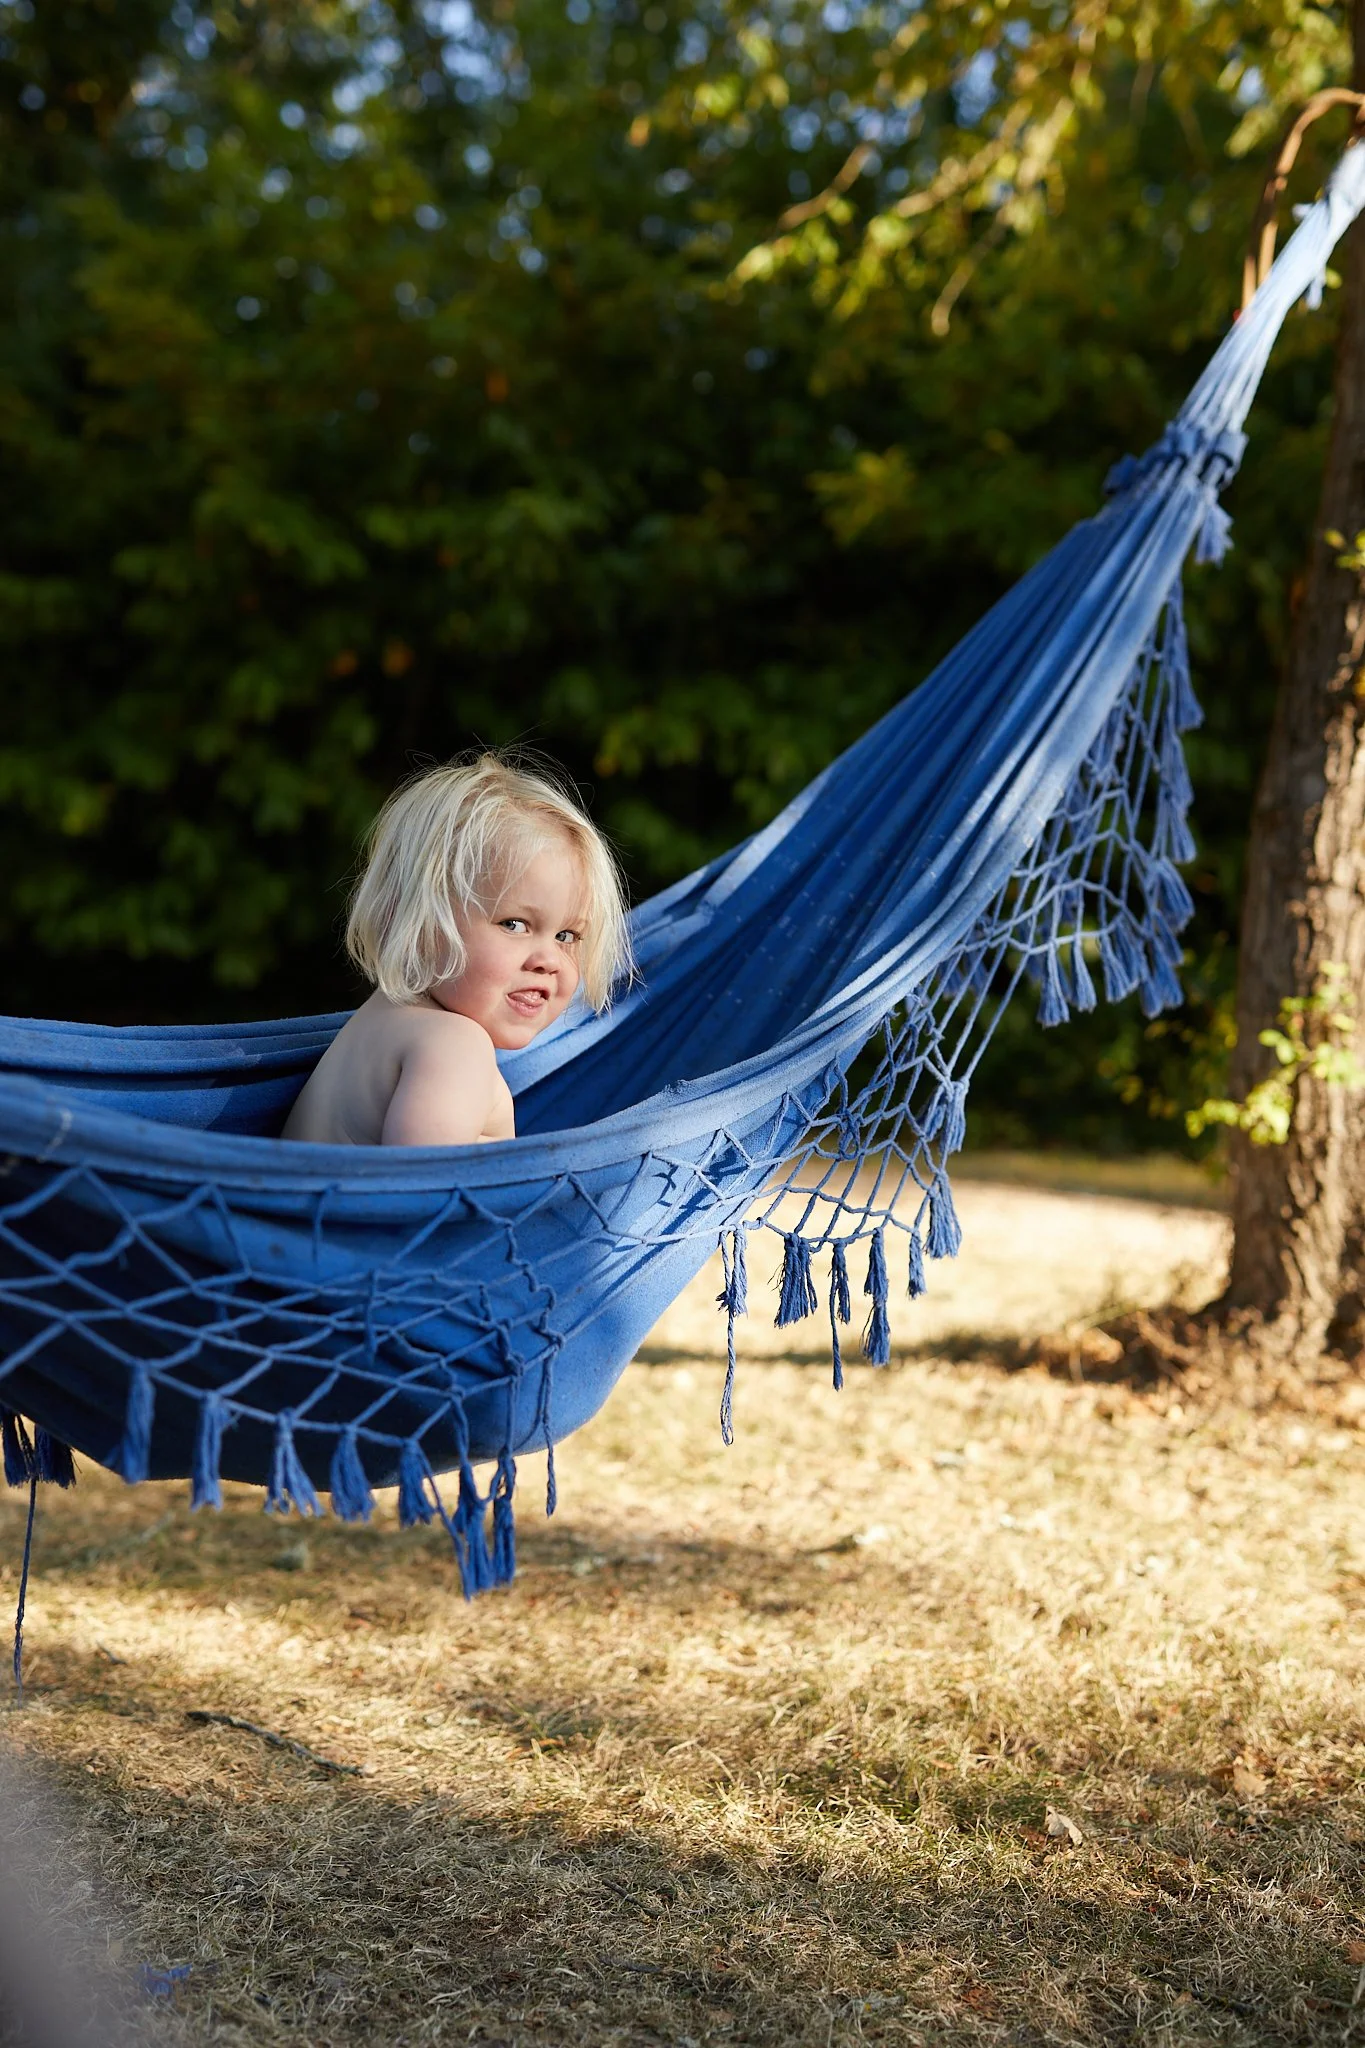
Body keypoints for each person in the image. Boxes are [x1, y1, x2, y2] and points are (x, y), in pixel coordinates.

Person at [282, 750, 630, 1147]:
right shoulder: (455, 1045)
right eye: (514, 924)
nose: (548, 961)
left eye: (567, 936)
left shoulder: (379, 1021)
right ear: (421, 922)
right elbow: (419, 1197)